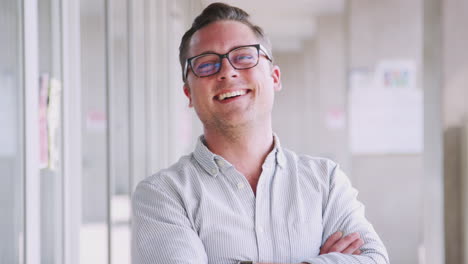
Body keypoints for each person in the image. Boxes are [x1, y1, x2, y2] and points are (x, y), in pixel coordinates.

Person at [131, 2, 389, 264]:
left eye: (243, 57)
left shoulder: (326, 182)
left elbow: (374, 259)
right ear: (188, 94)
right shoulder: (162, 194)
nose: (227, 71)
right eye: (207, 64)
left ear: (274, 77)